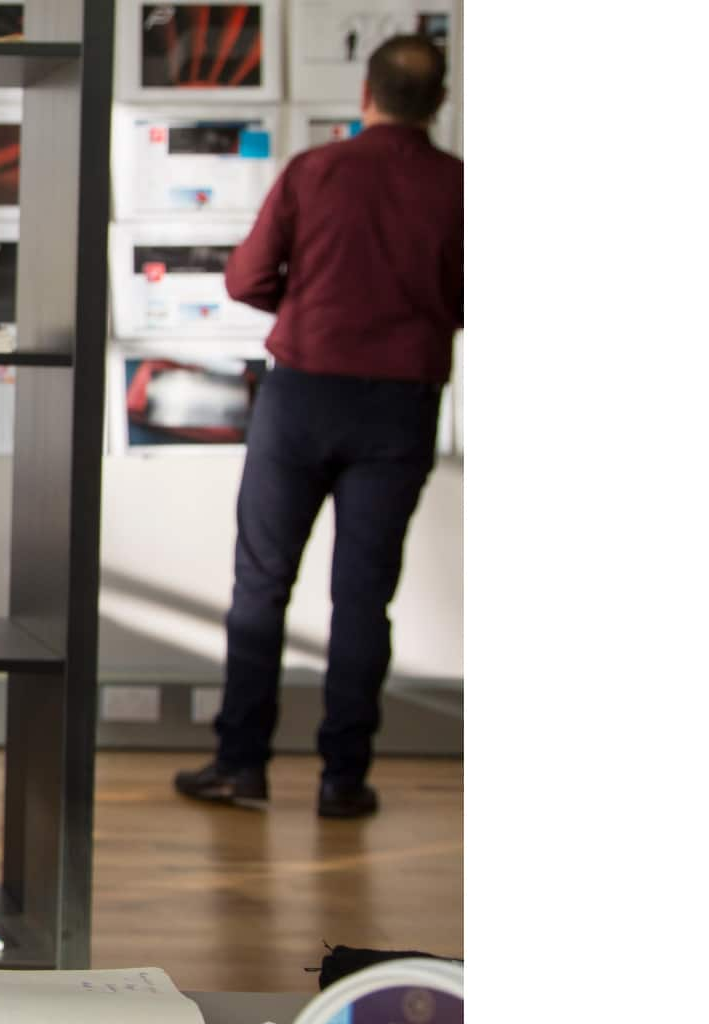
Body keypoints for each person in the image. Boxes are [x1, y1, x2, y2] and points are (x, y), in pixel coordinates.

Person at [173, 35, 461, 820]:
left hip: (302, 394)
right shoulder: (459, 187)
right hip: (402, 403)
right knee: (364, 599)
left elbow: (245, 278)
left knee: (261, 584)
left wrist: (307, 311)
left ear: (366, 93)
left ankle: (241, 767)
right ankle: (341, 780)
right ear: (437, 102)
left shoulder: (317, 170)